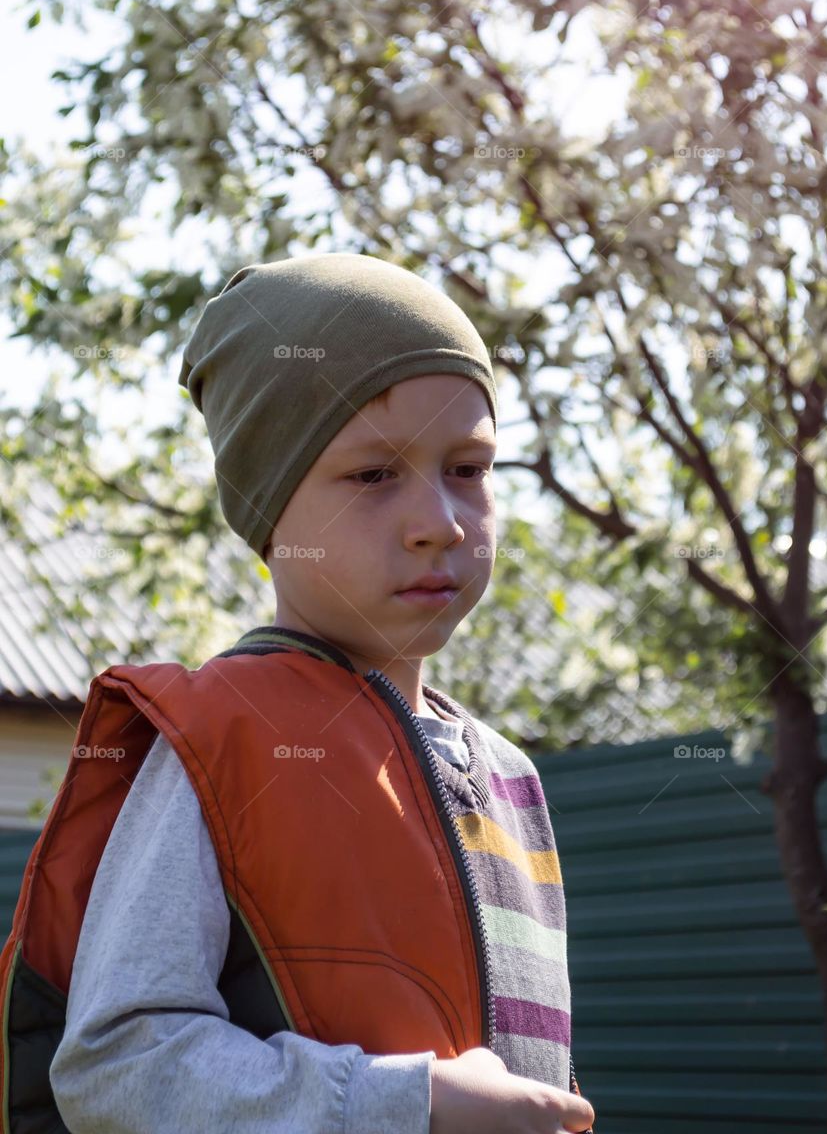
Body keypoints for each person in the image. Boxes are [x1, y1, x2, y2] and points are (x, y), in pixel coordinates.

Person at [36, 253, 594, 1133]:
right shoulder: (222, 742)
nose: (439, 523)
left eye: (470, 467)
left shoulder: (511, 777)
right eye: (372, 475)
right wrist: (410, 1104)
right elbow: (115, 1062)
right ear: (270, 510)